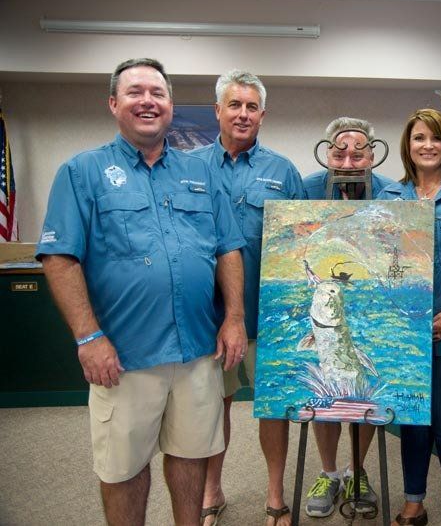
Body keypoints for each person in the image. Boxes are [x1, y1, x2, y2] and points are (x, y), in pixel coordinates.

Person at [35, 58, 247, 526]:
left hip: (196, 349)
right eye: (135, 92)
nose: (148, 101)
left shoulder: (201, 172)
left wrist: (234, 317)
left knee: (192, 454)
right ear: (114, 104)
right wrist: (89, 338)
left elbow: (228, 247)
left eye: (158, 92)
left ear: (170, 105)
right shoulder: (82, 172)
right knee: (123, 469)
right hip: (125, 356)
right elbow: (59, 257)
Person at [190, 69, 306, 526]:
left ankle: (275, 495)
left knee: (272, 408)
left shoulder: (283, 172)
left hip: (270, 318)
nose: (242, 114)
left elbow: (302, 244)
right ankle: (212, 492)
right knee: (211, 409)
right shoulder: (191, 168)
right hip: (208, 317)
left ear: (263, 114)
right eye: (233, 105)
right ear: (217, 110)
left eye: (251, 107)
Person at [377, 109, 441, 526]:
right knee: (413, 425)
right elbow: (379, 266)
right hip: (405, 336)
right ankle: (414, 501)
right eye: (419, 137)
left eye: (435, 138)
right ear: (408, 145)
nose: (427, 145)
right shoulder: (388, 199)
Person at [302, 117, 393, 518]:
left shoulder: (392, 191)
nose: (349, 160)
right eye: (340, 152)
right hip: (327, 291)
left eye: (359, 152)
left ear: (372, 155)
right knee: (325, 383)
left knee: (361, 384)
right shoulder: (306, 189)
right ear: (327, 153)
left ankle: (358, 471)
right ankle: (328, 471)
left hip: (369, 296)